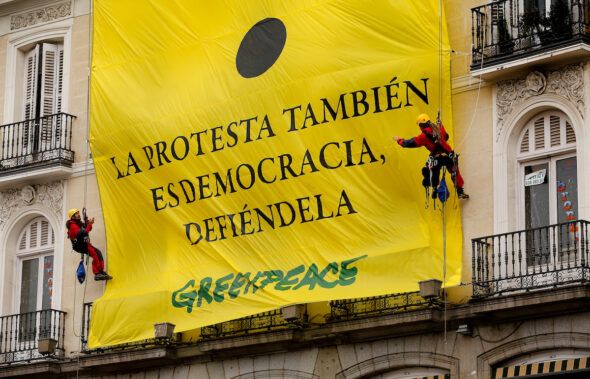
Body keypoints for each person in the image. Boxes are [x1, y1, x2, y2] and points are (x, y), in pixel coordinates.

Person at [393, 113, 469, 199]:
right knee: (454, 172)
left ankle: (435, 188)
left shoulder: (423, 136)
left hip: (437, 157)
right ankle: (460, 191)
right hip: (448, 155)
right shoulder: (439, 127)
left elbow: (409, 143)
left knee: (432, 171)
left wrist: (399, 140)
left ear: (421, 125)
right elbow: (446, 137)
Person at [66, 208, 112, 281]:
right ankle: (97, 273)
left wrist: (89, 223)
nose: (79, 215)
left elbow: (87, 229)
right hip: (80, 245)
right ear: (73, 216)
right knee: (94, 254)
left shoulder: (78, 223)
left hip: (83, 244)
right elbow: (84, 233)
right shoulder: (73, 226)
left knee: (98, 253)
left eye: (78, 213)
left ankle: (100, 271)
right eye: (77, 214)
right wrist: (89, 224)